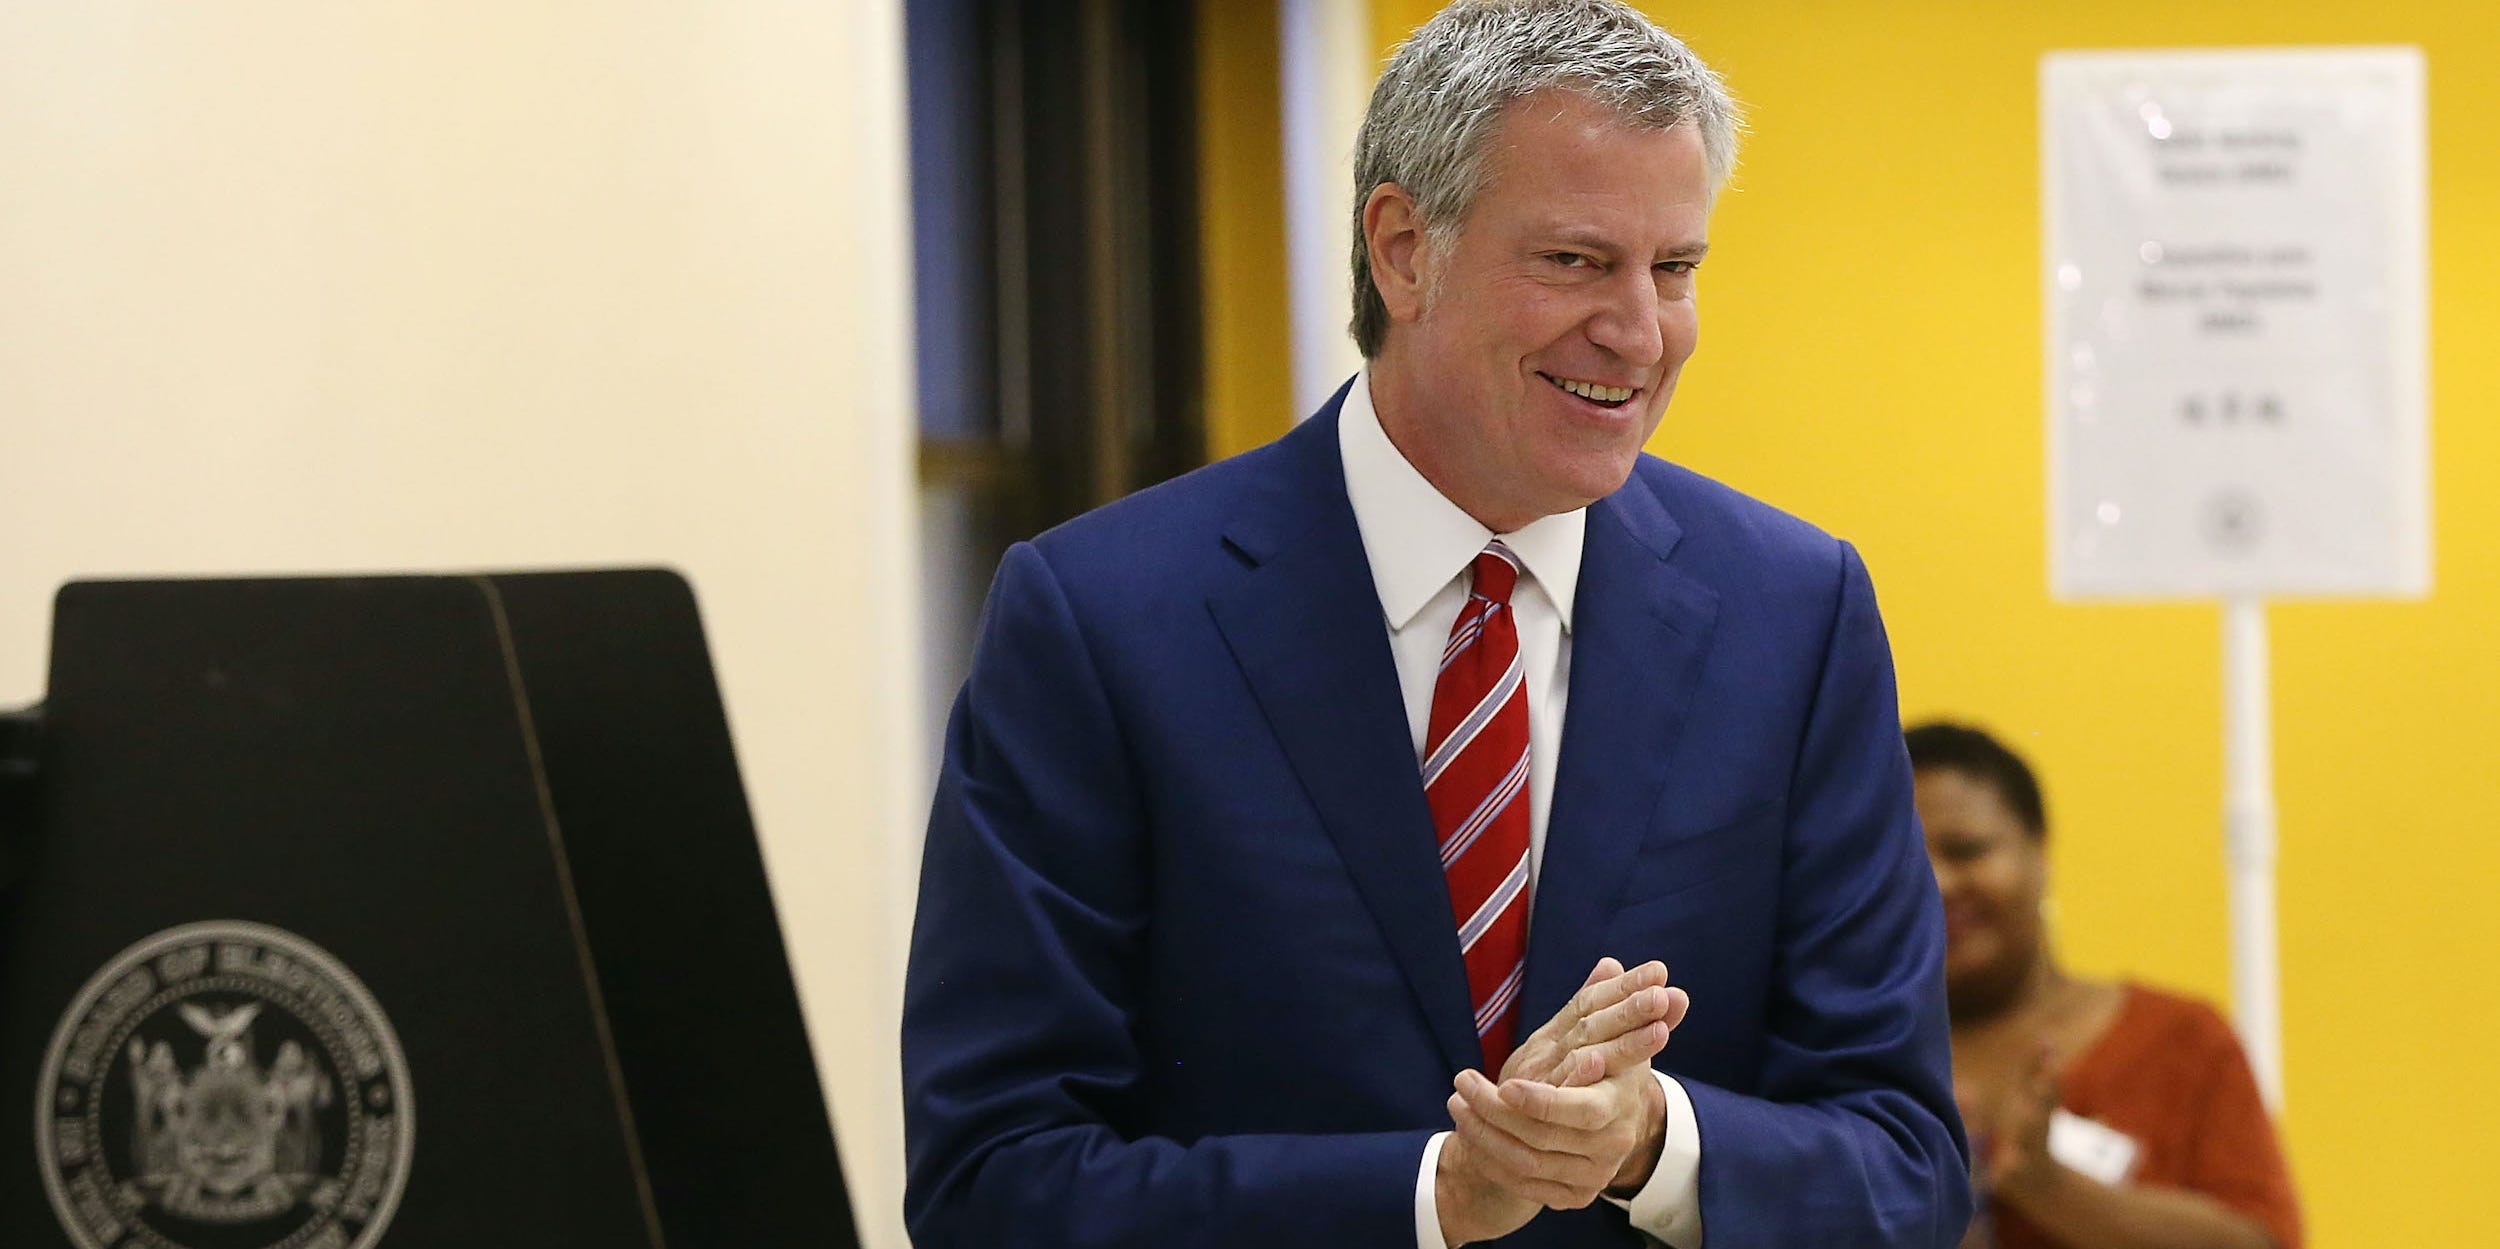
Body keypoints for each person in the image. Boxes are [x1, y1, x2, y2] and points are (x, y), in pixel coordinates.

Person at [903, 3, 1969, 1245]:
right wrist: (1433, 1198)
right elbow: (995, 1181)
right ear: (1404, 251)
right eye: (1576, 261)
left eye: (1673, 269)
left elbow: (1907, 1167)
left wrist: (1649, 1144)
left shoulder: (1794, 613)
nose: (1638, 332)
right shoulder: (1101, 618)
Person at [1906, 722, 2301, 1249]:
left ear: (2039, 853)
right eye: (1904, 861)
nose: (1938, 882)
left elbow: (2264, 1241)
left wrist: (2051, 1187)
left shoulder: (2180, 1040)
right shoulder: (1841, 1056)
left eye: (1968, 850)